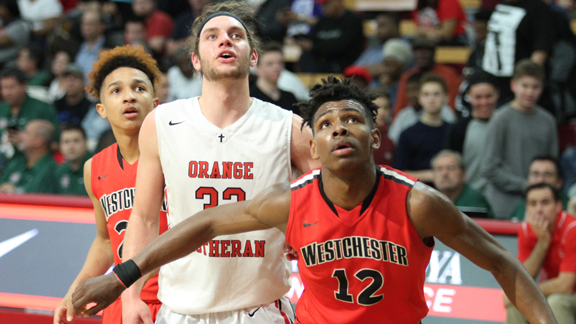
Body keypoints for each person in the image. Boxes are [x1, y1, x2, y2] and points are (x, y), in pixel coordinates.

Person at [71, 76, 557, 324]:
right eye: (324, 124)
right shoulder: (291, 201)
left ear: (374, 137)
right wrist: (121, 277)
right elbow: (204, 224)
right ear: (314, 147)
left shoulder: (419, 203)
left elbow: (503, 264)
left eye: (352, 119)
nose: (338, 128)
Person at [108, 2, 317, 324]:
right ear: (195, 60)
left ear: (253, 56)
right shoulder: (162, 122)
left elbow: (327, 210)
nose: (225, 41)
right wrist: (131, 294)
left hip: (259, 308)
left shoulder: (289, 127)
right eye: (212, 36)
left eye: (236, 35)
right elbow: (145, 217)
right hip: (180, 308)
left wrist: (299, 233)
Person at [53, 45, 168, 324]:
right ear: (102, 110)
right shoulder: (94, 167)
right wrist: (76, 288)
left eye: (139, 88)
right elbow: (105, 240)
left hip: (174, 299)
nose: (129, 96)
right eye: (117, 91)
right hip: (120, 298)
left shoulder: (177, 156)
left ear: (155, 104)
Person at [481, 59, 558, 218]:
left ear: (542, 88)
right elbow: (488, 167)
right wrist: (525, 185)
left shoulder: (548, 121)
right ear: (514, 85)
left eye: (535, 87)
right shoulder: (500, 119)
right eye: (525, 86)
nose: (530, 92)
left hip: (538, 206)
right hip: (503, 206)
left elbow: (552, 164)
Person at [504, 183, 576, 324]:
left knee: (556, 302)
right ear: (527, 209)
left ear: (558, 206)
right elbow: (523, 278)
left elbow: (565, 285)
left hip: (569, 293)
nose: (539, 210)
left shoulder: (572, 229)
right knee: (515, 306)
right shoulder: (526, 231)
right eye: (533, 204)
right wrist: (542, 244)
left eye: (545, 203)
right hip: (560, 293)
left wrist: (523, 293)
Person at [392, 73, 452, 184]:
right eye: (426, 94)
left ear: (446, 98)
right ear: (420, 98)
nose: (431, 99)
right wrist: (430, 175)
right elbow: (398, 173)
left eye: (436, 94)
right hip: (418, 194)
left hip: (450, 194)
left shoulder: (453, 131)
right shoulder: (408, 134)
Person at [445, 71, 498, 192]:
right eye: (478, 97)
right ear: (468, 96)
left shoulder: (506, 123)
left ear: (497, 94)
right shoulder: (458, 129)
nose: (484, 102)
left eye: (488, 96)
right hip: (470, 196)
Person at [392, 37, 462, 118]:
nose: (421, 55)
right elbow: (400, 106)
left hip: (441, 117)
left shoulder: (449, 75)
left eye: (426, 51)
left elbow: (453, 106)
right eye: (418, 52)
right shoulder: (407, 76)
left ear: (434, 53)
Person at [297, 0, 364, 73]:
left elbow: (340, 47)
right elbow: (315, 39)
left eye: (327, 3)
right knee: (306, 56)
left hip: (344, 64)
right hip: (323, 63)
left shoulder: (352, 20)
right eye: (322, 5)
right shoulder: (323, 21)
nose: (323, 7)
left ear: (338, 2)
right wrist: (298, 39)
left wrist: (313, 46)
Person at [432, 150, 494, 218]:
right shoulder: (429, 199)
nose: (444, 173)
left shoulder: (474, 200)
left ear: (463, 174)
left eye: (451, 168)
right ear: (433, 175)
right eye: (439, 169)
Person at [0, 119, 57, 193]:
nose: (20, 136)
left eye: (26, 132)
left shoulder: (52, 170)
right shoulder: (17, 163)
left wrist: (15, 192)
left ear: (39, 141)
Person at [509, 156, 569, 220]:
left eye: (547, 174)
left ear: (559, 182)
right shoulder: (521, 205)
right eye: (535, 174)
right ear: (527, 180)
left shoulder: (569, 205)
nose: (540, 180)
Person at [249, 41, 299, 114]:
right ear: (258, 68)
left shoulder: (289, 98)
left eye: (280, 63)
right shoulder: (250, 99)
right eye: (270, 64)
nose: (276, 68)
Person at [55, 124, 91, 196]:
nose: (71, 147)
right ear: (60, 146)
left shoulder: (98, 170)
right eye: (66, 142)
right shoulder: (59, 172)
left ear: (86, 143)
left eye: (76, 141)